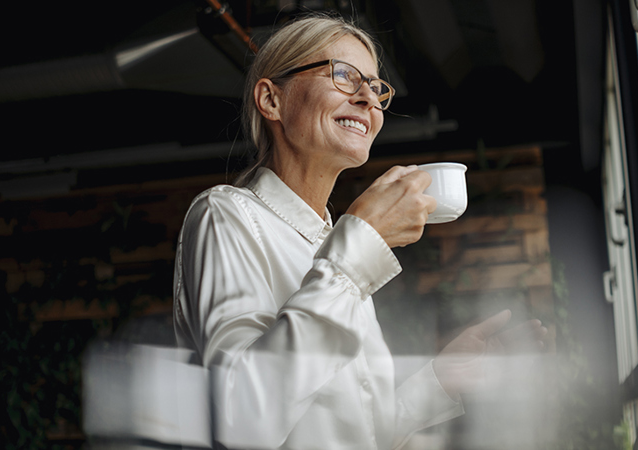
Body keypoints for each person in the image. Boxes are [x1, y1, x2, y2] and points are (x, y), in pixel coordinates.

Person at [173, 13, 546, 449]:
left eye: (376, 86)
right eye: (344, 76)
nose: (369, 97)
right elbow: (240, 419)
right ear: (272, 100)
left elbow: (354, 433)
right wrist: (358, 248)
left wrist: (442, 378)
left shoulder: (334, 243)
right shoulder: (226, 214)